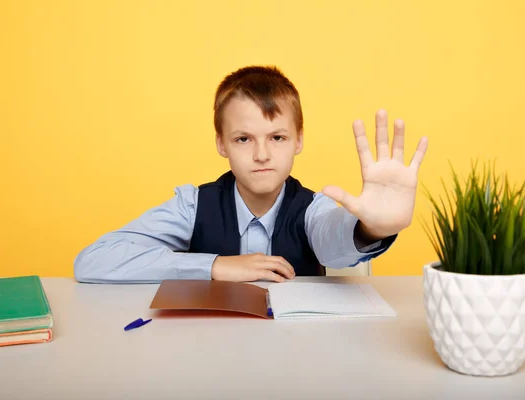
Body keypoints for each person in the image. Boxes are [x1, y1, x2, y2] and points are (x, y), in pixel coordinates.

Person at [74, 65, 428, 284]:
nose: (261, 154)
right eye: (243, 139)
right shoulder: (193, 206)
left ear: (298, 141)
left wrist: (372, 228)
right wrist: (214, 266)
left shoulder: (313, 210)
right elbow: (93, 261)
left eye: (277, 137)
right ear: (222, 143)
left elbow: (333, 241)